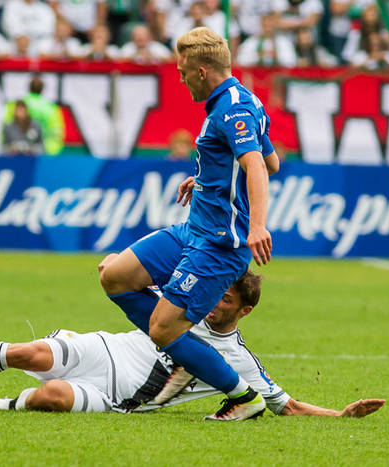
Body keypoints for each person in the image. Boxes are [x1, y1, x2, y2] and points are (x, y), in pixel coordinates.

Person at [0, 268, 385, 418]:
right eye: (215, 292)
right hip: (104, 349)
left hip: (120, 397)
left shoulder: (239, 361)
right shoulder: (185, 301)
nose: (213, 303)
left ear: (244, 310)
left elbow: (285, 404)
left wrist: (339, 416)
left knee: (51, 397)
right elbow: (136, 285)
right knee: (28, 353)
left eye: (225, 300)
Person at [99, 27, 280, 421]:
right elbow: (273, 160)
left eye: (182, 72)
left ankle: (243, 396)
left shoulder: (233, 109)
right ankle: (185, 346)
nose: (180, 80)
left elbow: (256, 166)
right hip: (193, 230)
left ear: (201, 71)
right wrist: (207, 178)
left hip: (219, 244)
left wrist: (257, 226)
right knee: (114, 276)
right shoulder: (240, 100)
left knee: (162, 330)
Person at [2, 75, 65, 155]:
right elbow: (57, 131)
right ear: (43, 89)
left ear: (29, 87)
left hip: (14, 153)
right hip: (43, 154)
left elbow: (5, 127)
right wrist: (51, 152)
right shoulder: (51, 107)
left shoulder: (16, 104)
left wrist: (6, 148)